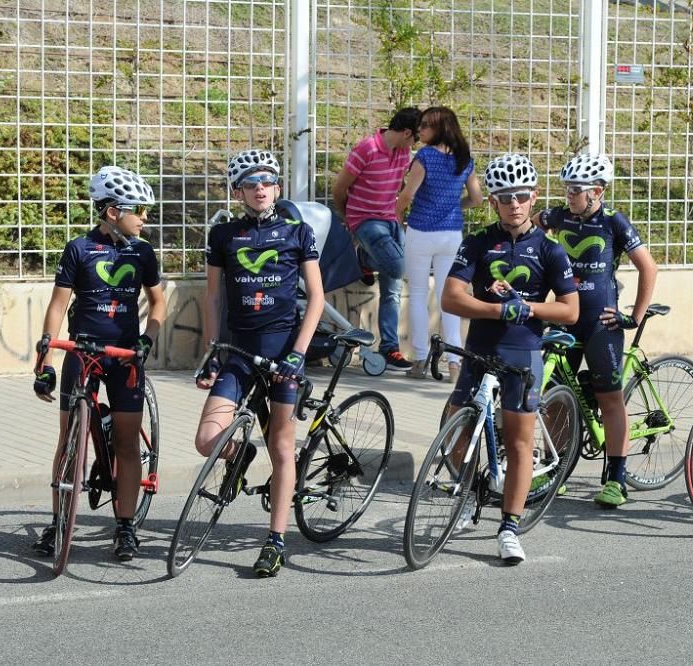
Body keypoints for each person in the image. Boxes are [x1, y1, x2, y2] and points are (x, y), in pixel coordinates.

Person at [442, 153, 579, 564]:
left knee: (520, 443)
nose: (514, 204)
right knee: (452, 430)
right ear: (493, 202)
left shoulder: (551, 250)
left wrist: (532, 309)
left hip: (523, 351)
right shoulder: (479, 242)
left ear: (534, 197)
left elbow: (570, 310)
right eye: (505, 197)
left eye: (521, 195)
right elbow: (451, 298)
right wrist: (498, 309)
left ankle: (509, 527)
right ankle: (469, 492)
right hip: (480, 349)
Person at [194, 150, 325, 577]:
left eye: (267, 181)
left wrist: (298, 353)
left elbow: (317, 299)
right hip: (238, 352)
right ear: (238, 191)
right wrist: (212, 350)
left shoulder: (296, 231)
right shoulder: (223, 235)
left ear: (277, 188)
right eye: (251, 183)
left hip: (284, 353)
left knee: (283, 447)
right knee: (207, 440)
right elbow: (213, 297)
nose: (260, 188)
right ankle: (240, 452)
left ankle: (275, 541)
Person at [31, 166, 167, 561]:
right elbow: (57, 307)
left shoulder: (142, 251)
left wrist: (147, 339)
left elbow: (157, 303)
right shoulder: (78, 249)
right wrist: (45, 363)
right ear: (111, 212)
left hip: (125, 356)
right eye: (137, 209)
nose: (144, 217)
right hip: (82, 353)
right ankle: (58, 522)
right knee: (68, 442)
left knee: (126, 443)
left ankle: (124, 527)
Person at [535, 153, 659, 509]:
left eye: (577, 190)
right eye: (567, 189)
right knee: (556, 394)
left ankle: (617, 478)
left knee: (609, 399)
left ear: (598, 192)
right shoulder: (558, 216)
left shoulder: (613, 222)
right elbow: (532, 230)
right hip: (566, 317)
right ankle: (553, 468)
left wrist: (632, 315)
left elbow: (648, 268)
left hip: (601, 322)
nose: (570, 195)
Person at [395, 106, 484, 381]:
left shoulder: (425, 157)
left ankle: (420, 359)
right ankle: (455, 363)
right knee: (451, 298)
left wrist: (398, 215)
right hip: (451, 235)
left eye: (424, 126)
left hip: (421, 231)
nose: (420, 130)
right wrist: (454, 207)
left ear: (439, 128)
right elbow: (477, 198)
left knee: (419, 295)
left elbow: (408, 194)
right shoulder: (464, 159)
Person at [332, 108, 421, 372]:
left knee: (392, 289)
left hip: (390, 220)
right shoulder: (367, 149)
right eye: (415, 137)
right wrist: (349, 217)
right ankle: (364, 256)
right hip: (365, 221)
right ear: (407, 133)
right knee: (397, 266)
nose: (415, 143)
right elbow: (340, 188)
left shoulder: (404, 152)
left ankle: (389, 348)